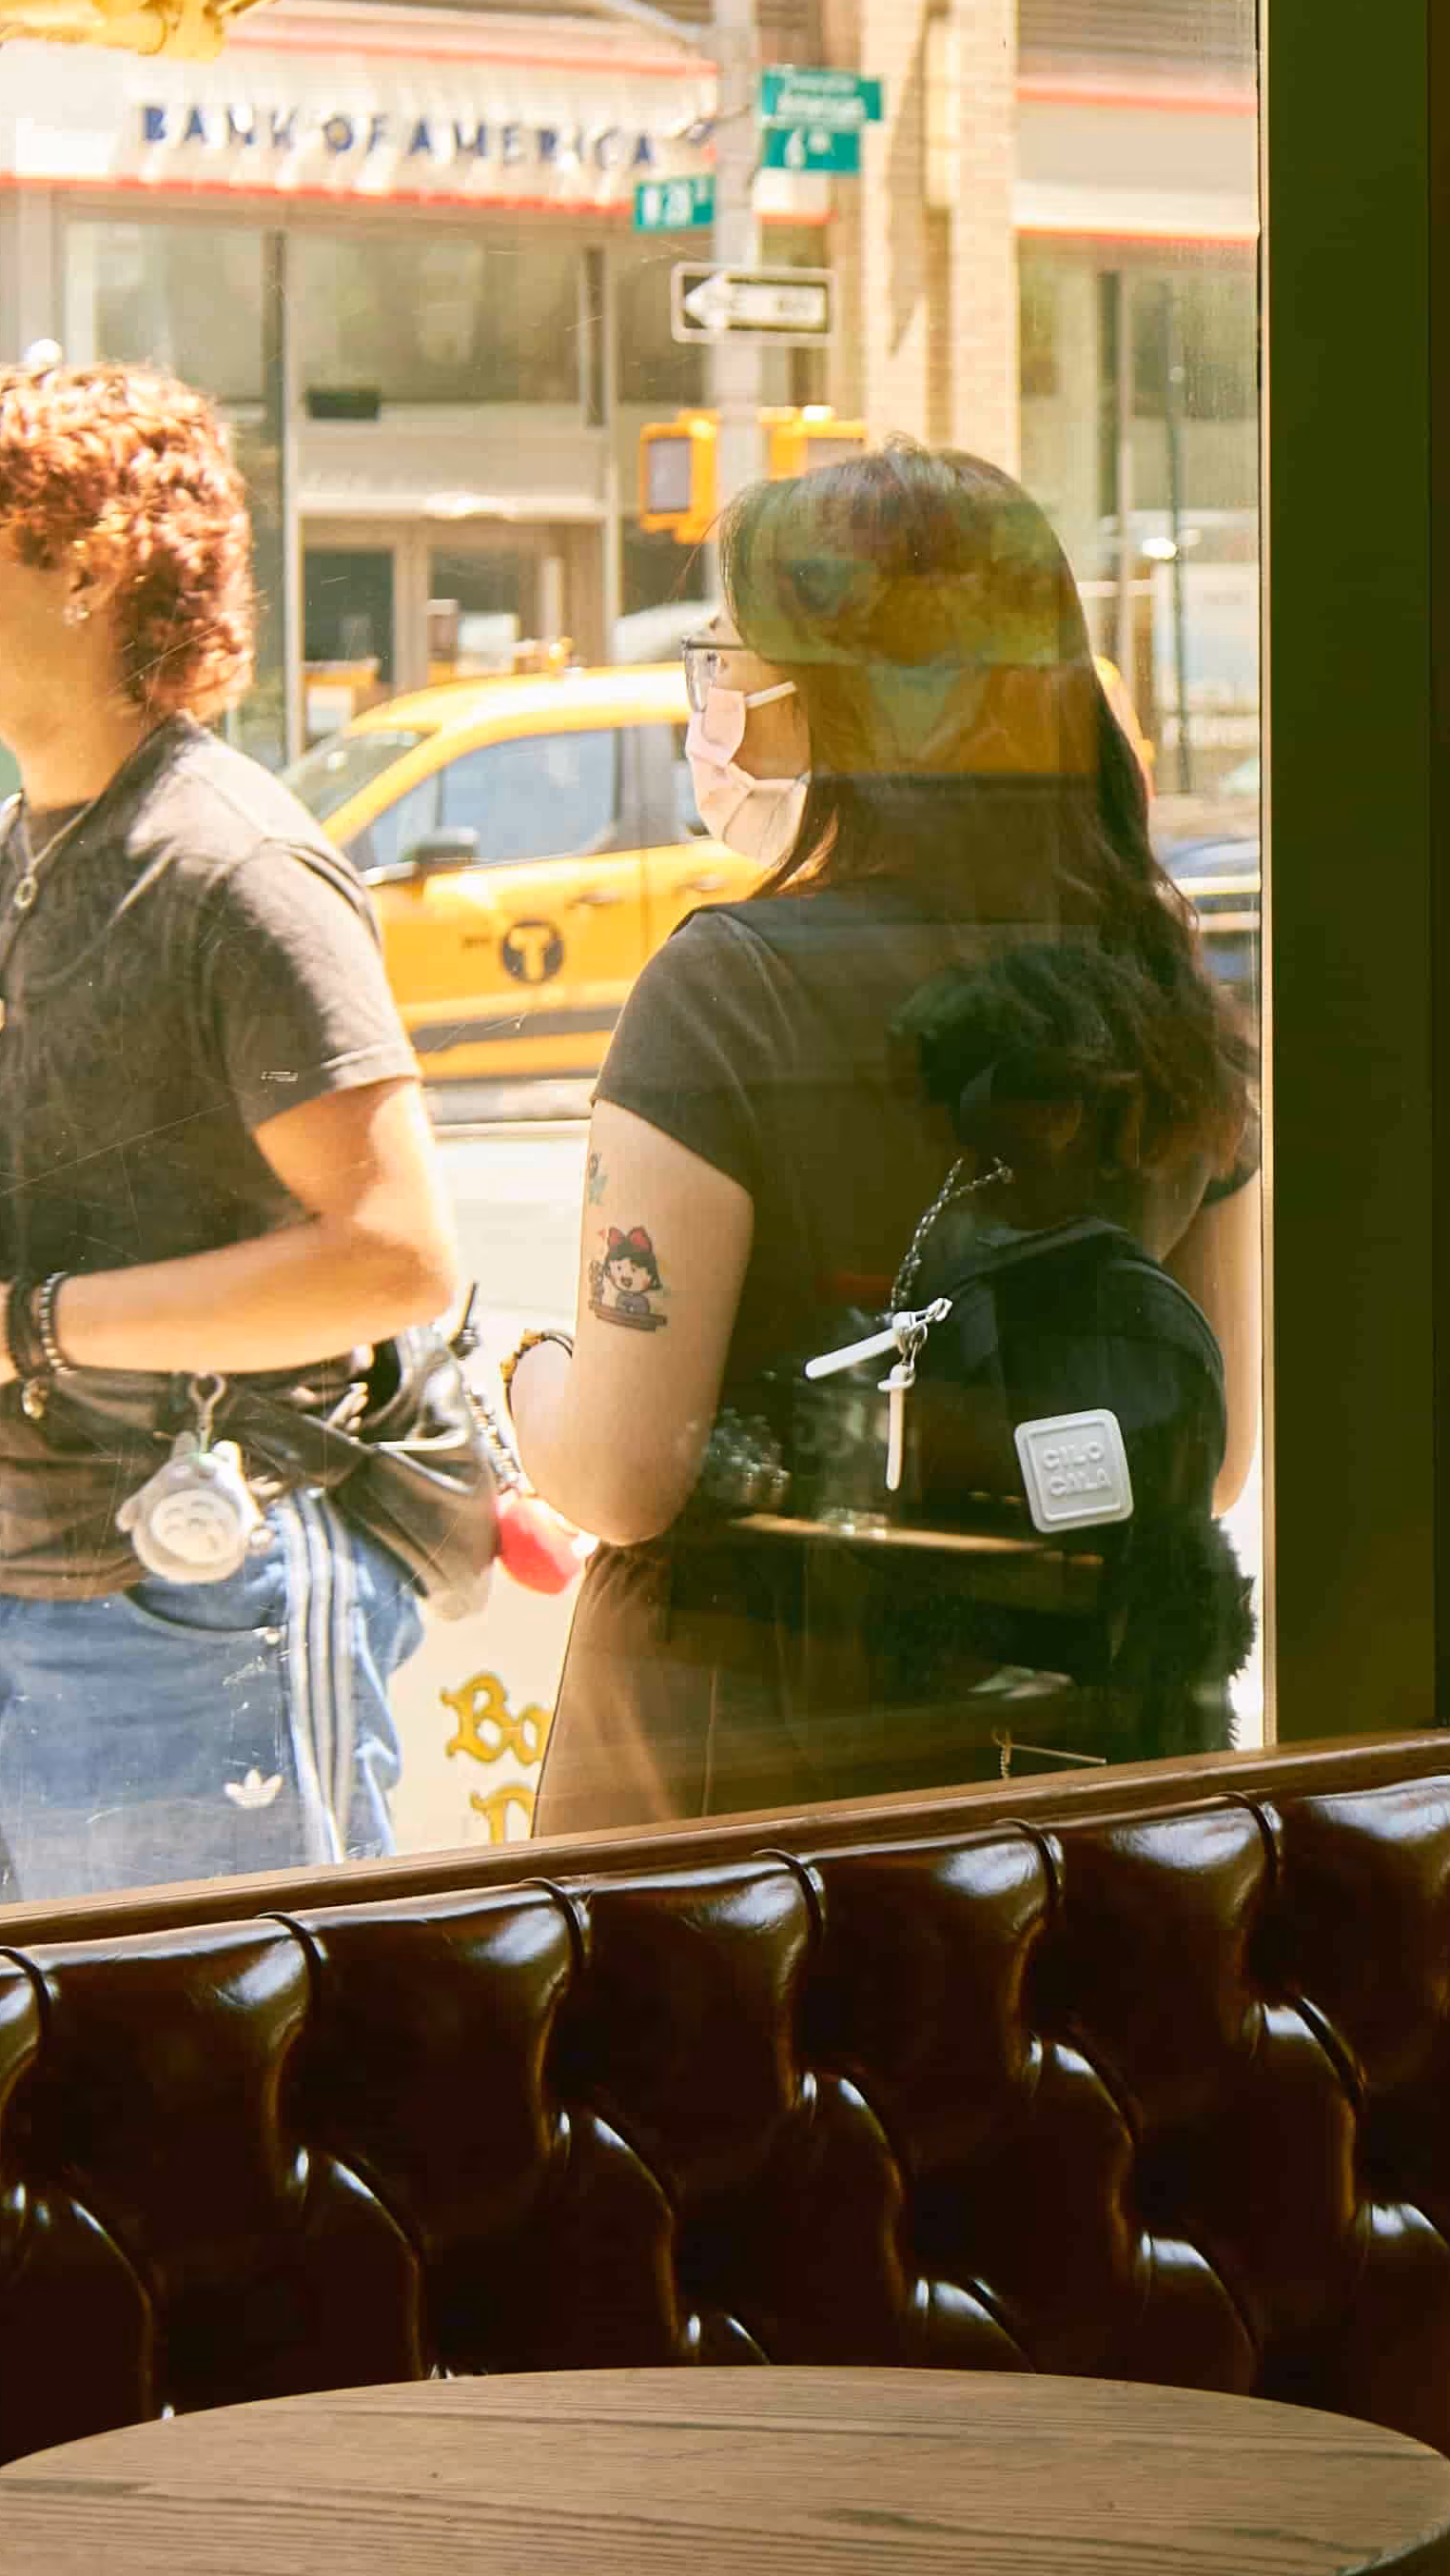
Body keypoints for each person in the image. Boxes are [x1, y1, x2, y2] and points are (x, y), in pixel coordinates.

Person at [510, 442, 1264, 1817]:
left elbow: (625, 1475)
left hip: (745, 1788)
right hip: (1060, 1770)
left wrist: (524, 1377)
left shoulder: (726, 988)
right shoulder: (1154, 980)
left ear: (821, 705)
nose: (714, 701)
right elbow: (1211, 1459)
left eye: (725, 659)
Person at [0, 362, 463, 1917]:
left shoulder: (236, 870)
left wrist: (14, 1327)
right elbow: (23, 1204)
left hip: (191, 1608)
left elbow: (398, 1258)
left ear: (88, 568)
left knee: (200, 2119)